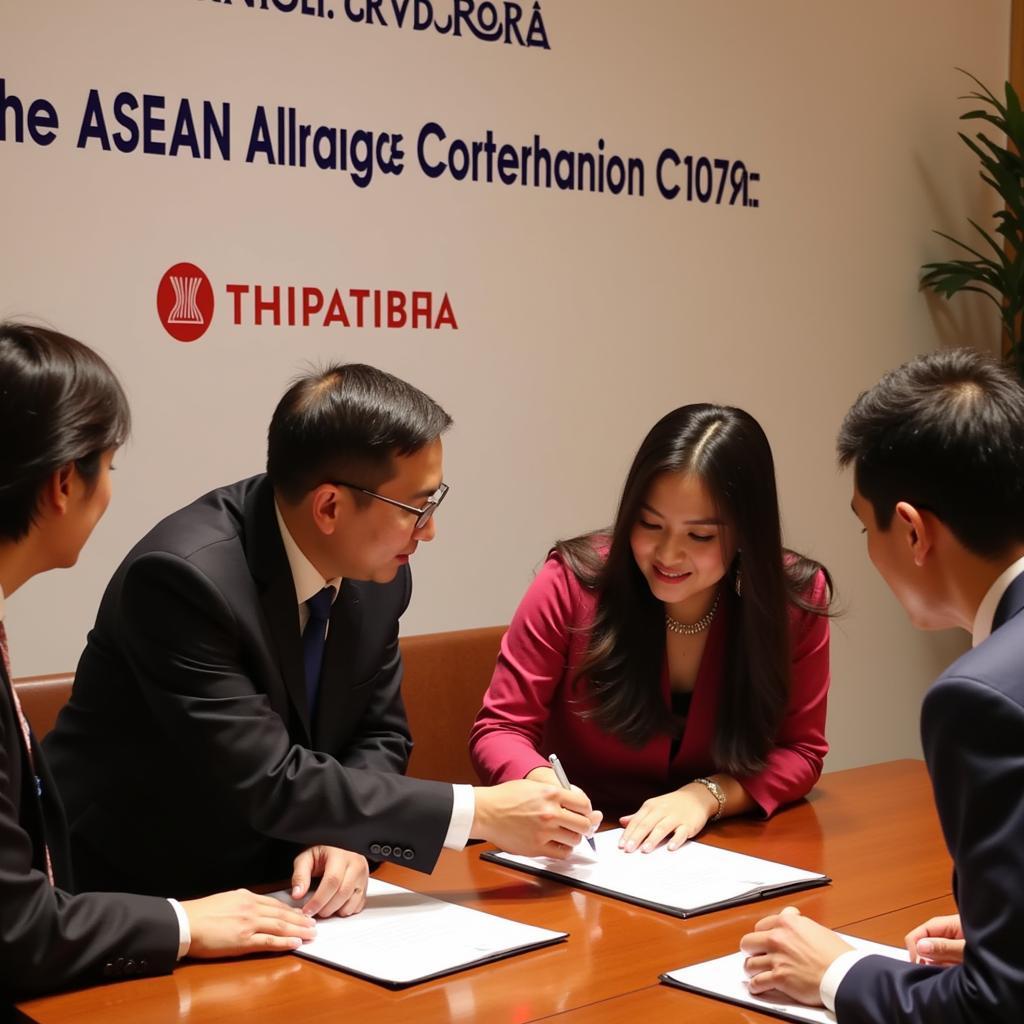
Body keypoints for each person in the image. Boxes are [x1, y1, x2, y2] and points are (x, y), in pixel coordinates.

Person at [44, 361, 598, 901]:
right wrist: (481, 813)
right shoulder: (183, 581)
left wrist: (346, 835)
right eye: (416, 507)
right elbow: (267, 781)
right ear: (330, 506)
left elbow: (380, 734)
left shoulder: (379, 573)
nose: (429, 531)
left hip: (287, 886)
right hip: (140, 889)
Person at [0, 322, 326, 1000]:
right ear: (64, 482)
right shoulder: (185, 573)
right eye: (109, 466)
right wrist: (184, 924)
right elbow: (13, 928)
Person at [740, 348, 1024, 1020]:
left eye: (867, 526)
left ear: (914, 532)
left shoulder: (980, 699)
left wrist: (837, 971)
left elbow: (998, 1007)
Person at [470, 403, 831, 853]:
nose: (668, 554)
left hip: (720, 850)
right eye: (649, 524)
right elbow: (500, 729)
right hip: (581, 850)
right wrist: (543, 787)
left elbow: (800, 751)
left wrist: (706, 796)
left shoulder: (794, 600)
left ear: (746, 534)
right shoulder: (571, 582)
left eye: (699, 536)